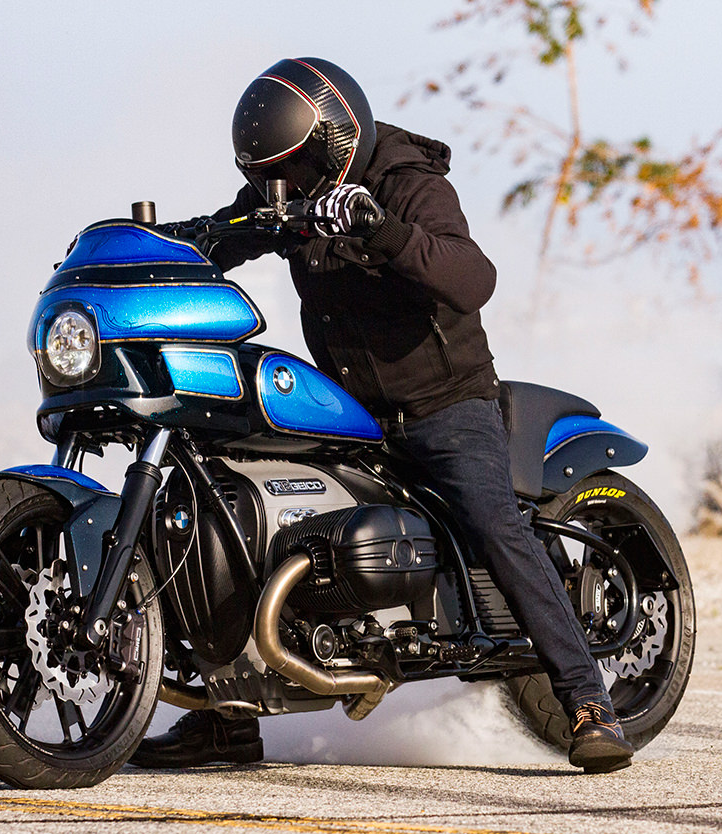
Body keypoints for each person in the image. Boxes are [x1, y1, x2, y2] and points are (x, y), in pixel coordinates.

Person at [130, 57, 633, 774]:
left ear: (333, 138)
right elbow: (232, 233)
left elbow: (472, 277)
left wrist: (382, 229)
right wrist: (163, 246)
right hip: (347, 411)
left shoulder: (407, 180)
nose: (285, 186)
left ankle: (588, 700)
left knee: (494, 524)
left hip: (443, 403)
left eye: (295, 168)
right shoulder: (291, 191)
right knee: (229, 506)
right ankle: (228, 716)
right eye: (271, 175)